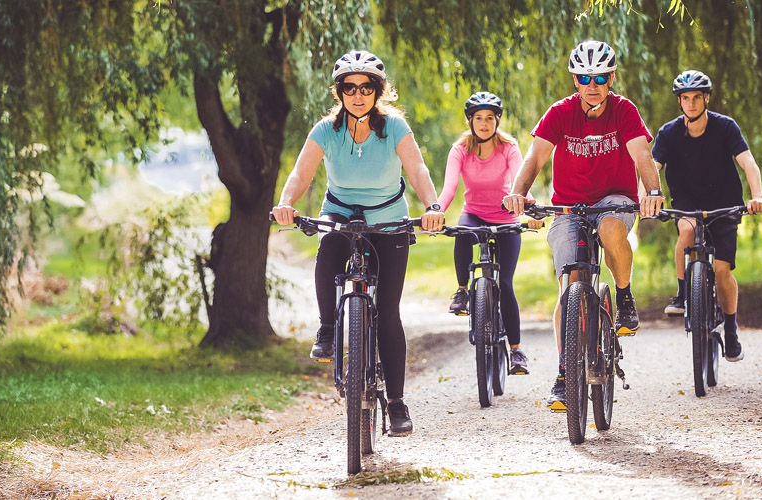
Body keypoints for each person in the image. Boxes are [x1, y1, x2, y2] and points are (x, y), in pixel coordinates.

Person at [271, 50, 444, 436]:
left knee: (389, 313)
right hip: (340, 212)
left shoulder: (395, 127)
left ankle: (397, 404)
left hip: (388, 219)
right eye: (349, 87)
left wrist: (432, 205)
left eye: (366, 87)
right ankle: (328, 329)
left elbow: (416, 168)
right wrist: (286, 203)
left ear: (378, 91)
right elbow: (301, 173)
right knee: (328, 245)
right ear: (340, 93)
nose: (358, 94)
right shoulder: (325, 131)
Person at [502, 40, 663, 410]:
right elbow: (535, 156)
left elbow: (642, 153)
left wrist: (653, 190)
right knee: (571, 284)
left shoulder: (624, 110)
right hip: (569, 206)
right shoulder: (560, 113)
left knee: (610, 229)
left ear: (610, 78)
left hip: (614, 200)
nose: (593, 84)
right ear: (576, 80)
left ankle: (623, 297)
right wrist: (518, 193)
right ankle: (563, 373)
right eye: (585, 77)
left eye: (601, 77)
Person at [652, 69, 762, 362]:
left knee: (721, 270)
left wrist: (757, 196)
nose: (691, 103)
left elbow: (748, 163)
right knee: (687, 231)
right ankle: (681, 293)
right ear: (679, 102)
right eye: (685, 98)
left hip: (724, 201)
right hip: (687, 200)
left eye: (696, 98)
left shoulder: (725, 127)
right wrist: (648, 195)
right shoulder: (668, 133)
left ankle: (730, 330)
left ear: (706, 98)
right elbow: (652, 168)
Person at [438, 91, 542, 375]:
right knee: (461, 232)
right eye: (478, 118)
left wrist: (529, 207)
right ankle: (461, 292)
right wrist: (436, 210)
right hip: (474, 214)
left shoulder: (508, 148)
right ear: (470, 121)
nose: (484, 124)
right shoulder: (460, 149)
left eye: (489, 118)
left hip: (505, 217)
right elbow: (449, 189)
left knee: (506, 284)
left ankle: (516, 351)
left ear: (497, 121)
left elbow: (520, 183)